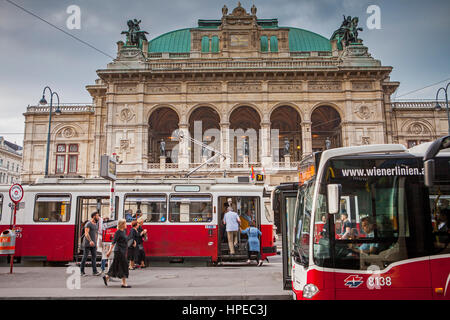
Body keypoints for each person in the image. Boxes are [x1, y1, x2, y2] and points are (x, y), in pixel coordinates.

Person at [103, 219, 131, 288]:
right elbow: (113, 242)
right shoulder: (118, 232)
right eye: (125, 223)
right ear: (122, 224)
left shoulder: (123, 232)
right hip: (119, 251)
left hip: (122, 251)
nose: (126, 225)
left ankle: (106, 277)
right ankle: (123, 283)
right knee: (124, 265)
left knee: (115, 265)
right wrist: (109, 251)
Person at [80, 212, 101, 276]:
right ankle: (82, 272)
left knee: (94, 257)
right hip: (87, 243)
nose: (98, 217)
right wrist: (90, 241)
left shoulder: (96, 224)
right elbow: (86, 233)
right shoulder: (88, 224)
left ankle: (95, 272)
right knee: (85, 257)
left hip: (93, 243)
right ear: (94, 216)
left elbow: (96, 234)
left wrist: (96, 242)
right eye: (97, 216)